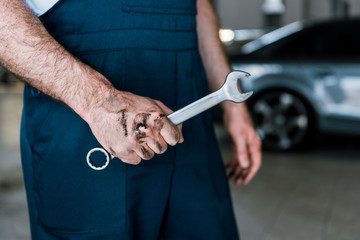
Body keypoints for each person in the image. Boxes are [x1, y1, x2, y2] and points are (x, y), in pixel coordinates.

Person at [0, 0, 262, 239]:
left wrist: (232, 106)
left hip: (190, 121)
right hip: (84, 118)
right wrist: (98, 101)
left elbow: (199, 5)